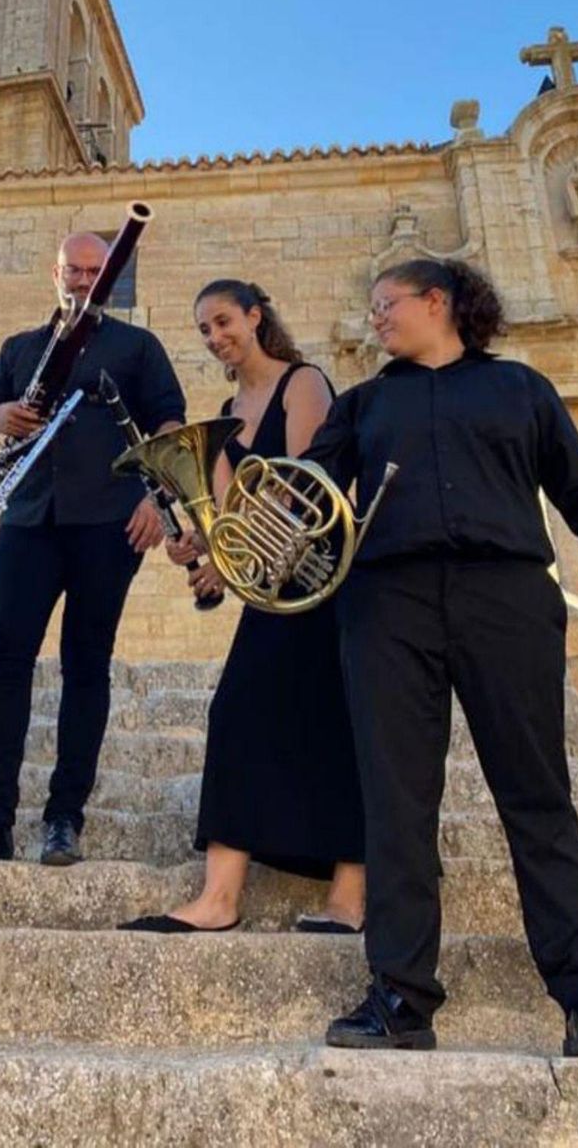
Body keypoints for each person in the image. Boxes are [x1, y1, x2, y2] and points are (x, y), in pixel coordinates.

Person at [309, 258, 578, 1055]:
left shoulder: (520, 390)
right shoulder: (362, 404)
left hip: (508, 598)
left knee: (537, 794)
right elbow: (305, 495)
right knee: (396, 803)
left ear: (439, 303)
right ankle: (400, 996)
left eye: (386, 303)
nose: (375, 319)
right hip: (388, 602)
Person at [118, 280, 365, 934]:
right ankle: (219, 898)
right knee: (237, 714)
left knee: (337, 722)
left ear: (256, 317)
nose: (214, 336)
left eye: (223, 321)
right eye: (203, 329)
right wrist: (202, 548)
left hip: (327, 580)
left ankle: (350, 897)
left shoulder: (303, 383)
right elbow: (233, 513)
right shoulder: (228, 411)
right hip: (278, 588)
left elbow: (307, 483)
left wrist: (230, 554)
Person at [0, 232, 186, 865]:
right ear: (55, 274)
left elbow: (169, 426)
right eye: (72, 270)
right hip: (28, 518)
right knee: (5, 661)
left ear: (107, 278)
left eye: (93, 271)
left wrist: (157, 499)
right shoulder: (22, 348)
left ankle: (63, 819)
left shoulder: (138, 347)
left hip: (110, 522)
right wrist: (0, 416)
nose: (82, 280)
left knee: (87, 664)